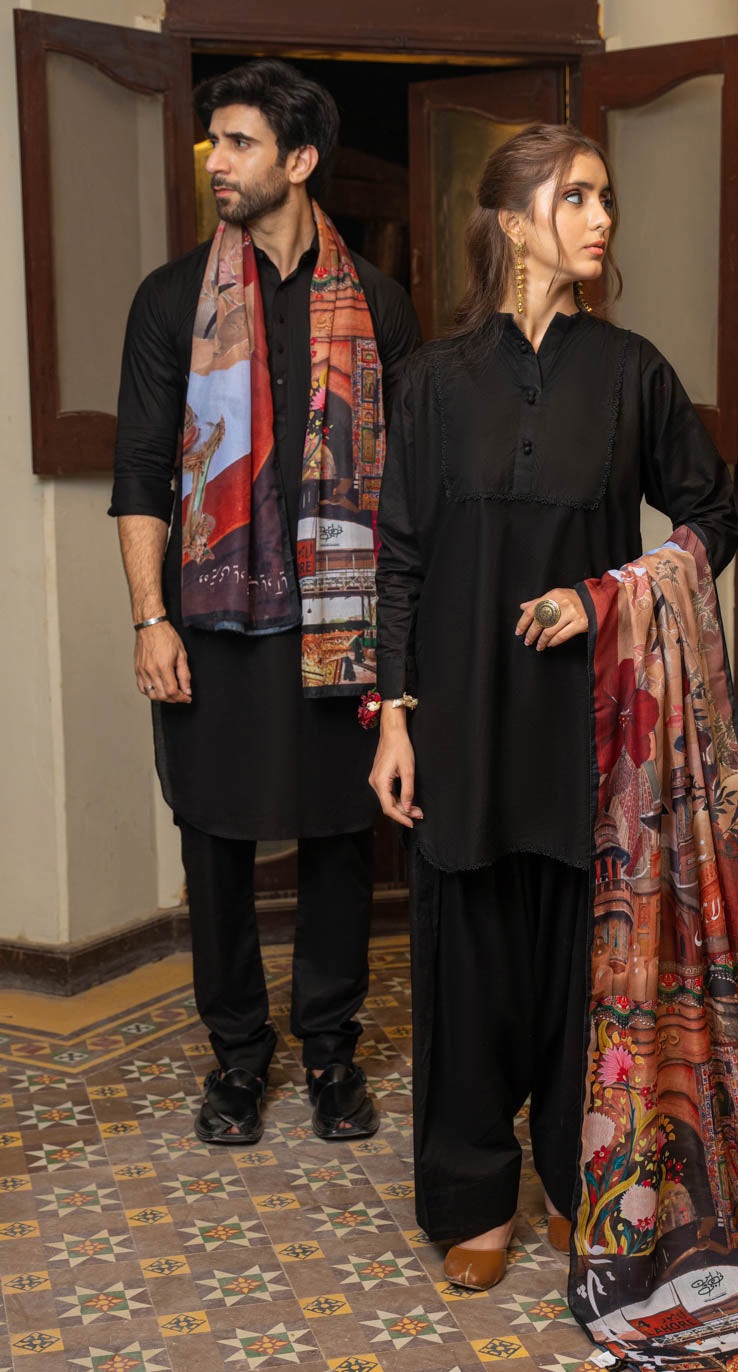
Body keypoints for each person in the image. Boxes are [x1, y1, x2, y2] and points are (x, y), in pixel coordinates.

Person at [370, 124, 738, 1288]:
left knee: (589, 965)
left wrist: (602, 595)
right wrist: (393, 717)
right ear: (511, 218)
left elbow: (712, 518)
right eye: (575, 197)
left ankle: (588, 1181)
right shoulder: (432, 382)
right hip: (462, 720)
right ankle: (472, 1193)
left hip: (590, 723)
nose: (600, 218)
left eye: (605, 198)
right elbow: (398, 558)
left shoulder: (632, 374)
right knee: (468, 958)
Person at [111, 60, 421, 1146]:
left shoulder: (378, 303)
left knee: (341, 835)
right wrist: (150, 617)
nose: (218, 162)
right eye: (215, 142)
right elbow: (141, 469)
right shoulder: (169, 300)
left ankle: (331, 1049)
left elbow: (409, 486)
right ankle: (237, 1057)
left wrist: (403, 639)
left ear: (299, 160)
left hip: (342, 619)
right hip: (211, 622)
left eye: (240, 143)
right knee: (215, 839)